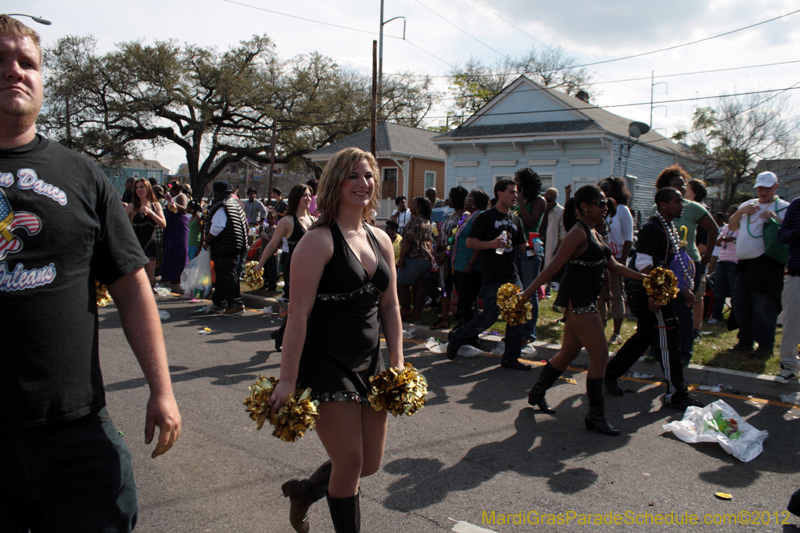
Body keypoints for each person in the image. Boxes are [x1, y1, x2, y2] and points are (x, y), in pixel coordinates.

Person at [0, 16, 180, 531]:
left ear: (41, 80)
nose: (14, 71)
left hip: (76, 434)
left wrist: (161, 389)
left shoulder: (83, 176)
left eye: (27, 62)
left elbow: (131, 284)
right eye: (1, 60)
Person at [267, 147, 403, 533]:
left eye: (369, 176)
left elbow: (390, 307)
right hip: (328, 365)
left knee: (369, 463)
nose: (363, 184)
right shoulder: (318, 241)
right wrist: (288, 380)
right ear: (336, 184)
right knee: (350, 462)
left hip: (371, 363)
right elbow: (298, 315)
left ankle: (307, 491)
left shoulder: (381, 238)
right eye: (353, 176)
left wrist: (397, 361)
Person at [519, 185, 646, 435]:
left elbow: (616, 266)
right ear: (585, 207)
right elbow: (553, 266)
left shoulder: (594, 232)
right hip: (578, 301)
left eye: (605, 203)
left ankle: (537, 392)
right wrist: (526, 293)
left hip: (586, 300)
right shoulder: (577, 233)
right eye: (600, 203)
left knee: (569, 352)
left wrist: (646, 279)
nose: (605, 207)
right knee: (600, 356)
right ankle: (595, 415)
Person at [604, 188, 704, 410]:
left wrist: (682, 289)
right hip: (650, 294)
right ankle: (677, 394)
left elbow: (670, 266)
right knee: (669, 341)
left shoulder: (668, 227)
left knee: (644, 338)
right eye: (677, 201)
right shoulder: (652, 228)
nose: (682, 205)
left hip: (660, 291)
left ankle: (609, 374)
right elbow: (644, 265)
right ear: (663, 205)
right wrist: (655, 294)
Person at [446, 179, 530, 370]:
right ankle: (457, 337)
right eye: (511, 192)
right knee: (489, 317)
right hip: (492, 276)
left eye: (516, 193)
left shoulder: (515, 219)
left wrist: (535, 249)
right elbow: (471, 242)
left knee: (517, 316)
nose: (515, 196)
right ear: (499, 193)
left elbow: (522, 247)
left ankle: (510, 358)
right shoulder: (485, 217)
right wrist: (490, 244)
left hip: (511, 276)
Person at [650, 165, 718, 365]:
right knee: (662, 310)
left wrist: (706, 258)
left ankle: (684, 353)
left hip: (688, 267)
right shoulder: (658, 208)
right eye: (675, 185)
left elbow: (714, 230)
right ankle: (659, 349)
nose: (680, 189)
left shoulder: (694, 207)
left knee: (684, 311)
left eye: (683, 185)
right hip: (666, 267)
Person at [728, 171, 789, 358]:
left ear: (776, 187)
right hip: (744, 264)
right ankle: (744, 340)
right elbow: (732, 226)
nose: (763, 192)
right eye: (760, 188)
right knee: (741, 304)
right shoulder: (748, 204)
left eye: (767, 188)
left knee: (764, 306)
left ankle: (765, 345)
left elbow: (790, 233)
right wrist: (740, 212)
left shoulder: (783, 207)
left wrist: (775, 220)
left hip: (767, 265)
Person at [255, 184, 315, 348]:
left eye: (310, 195)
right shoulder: (287, 221)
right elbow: (273, 244)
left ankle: (280, 334)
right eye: (304, 195)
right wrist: (259, 265)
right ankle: (294, 340)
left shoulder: (314, 220)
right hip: (294, 267)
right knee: (301, 305)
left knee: (302, 305)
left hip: (313, 267)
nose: (308, 198)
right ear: (296, 198)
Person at [198, 180, 248, 316]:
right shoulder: (234, 205)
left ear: (218, 192)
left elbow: (217, 227)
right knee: (222, 275)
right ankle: (218, 303)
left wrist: (207, 241)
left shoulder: (221, 206)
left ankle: (236, 304)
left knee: (226, 274)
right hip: (235, 244)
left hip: (225, 246)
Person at [598, 176, 634, 345]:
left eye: (607, 188)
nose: (604, 191)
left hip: (617, 257)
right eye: (602, 188)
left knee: (616, 294)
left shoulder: (622, 210)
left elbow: (628, 238)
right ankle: (600, 328)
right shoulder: (599, 208)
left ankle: (616, 333)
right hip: (599, 258)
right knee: (600, 295)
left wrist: (623, 260)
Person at [513, 168, 546, 344]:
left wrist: (520, 203)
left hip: (531, 250)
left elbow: (531, 222)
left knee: (529, 291)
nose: (515, 183)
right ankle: (517, 329)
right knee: (516, 292)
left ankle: (529, 333)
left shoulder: (539, 201)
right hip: (516, 249)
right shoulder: (519, 200)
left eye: (517, 180)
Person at [431, 186, 469, 330]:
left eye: (450, 196)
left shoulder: (465, 217)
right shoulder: (449, 215)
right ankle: (444, 318)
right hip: (443, 258)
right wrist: (436, 251)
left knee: (460, 289)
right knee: (444, 288)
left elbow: (457, 239)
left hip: (455, 258)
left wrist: (445, 254)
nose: (448, 199)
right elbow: (442, 234)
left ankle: (463, 319)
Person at [452, 188, 490, 331]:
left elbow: (479, 243)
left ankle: (471, 333)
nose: (465, 199)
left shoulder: (479, 216)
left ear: (474, 202)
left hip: (470, 267)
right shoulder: (469, 216)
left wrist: (471, 264)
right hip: (460, 264)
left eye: (468, 197)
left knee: (466, 302)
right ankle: (465, 325)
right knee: (463, 300)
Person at [396, 196, 434, 320]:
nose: (410, 206)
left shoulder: (414, 221)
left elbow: (409, 241)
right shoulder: (427, 221)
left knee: (402, 285)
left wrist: (401, 258)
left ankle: (405, 312)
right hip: (426, 258)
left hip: (414, 257)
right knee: (419, 286)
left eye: (413, 204)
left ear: (419, 208)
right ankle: (417, 312)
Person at [776, 195, 800, 383]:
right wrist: (796, 234)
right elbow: (782, 234)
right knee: (792, 323)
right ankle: (789, 366)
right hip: (797, 273)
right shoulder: (796, 205)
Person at [126, 178, 167, 287]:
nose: (139, 190)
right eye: (136, 188)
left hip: (150, 247)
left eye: (142, 187)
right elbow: (122, 225)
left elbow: (163, 224)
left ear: (148, 188)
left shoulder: (155, 205)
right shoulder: (131, 207)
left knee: (148, 284)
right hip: (135, 248)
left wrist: (151, 213)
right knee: (135, 283)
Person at [709, 205, 738, 324]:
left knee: (734, 291)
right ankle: (716, 316)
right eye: (729, 212)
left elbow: (742, 241)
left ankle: (735, 318)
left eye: (732, 212)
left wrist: (733, 239)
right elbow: (718, 243)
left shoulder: (743, 228)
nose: (729, 214)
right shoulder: (726, 227)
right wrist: (719, 239)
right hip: (722, 261)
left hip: (734, 262)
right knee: (718, 290)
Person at [161, 180, 190, 284]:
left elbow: (183, 210)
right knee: (169, 249)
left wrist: (172, 201)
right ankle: (167, 274)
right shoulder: (169, 197)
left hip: (178, 226)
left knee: (179, 249)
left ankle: (177, 275)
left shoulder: (181, 196)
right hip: (170, 226)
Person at [540, 187, 566, 296]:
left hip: (551, 240)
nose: (546, 195)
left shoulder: (560, 210)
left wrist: (560, 244)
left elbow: (562, 229)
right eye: (546, 193)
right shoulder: (542, 208)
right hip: (540, 239)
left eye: (549, 194)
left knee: (549, 264)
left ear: (554, 196)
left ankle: (548, 288)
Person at [259, 212, 279, 291]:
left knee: (271, 270)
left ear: (275, 220)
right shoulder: (267, 228)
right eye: (268, 219)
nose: (269, 220)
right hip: (264, 252)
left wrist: (262, 233)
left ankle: (272, 285)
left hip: (270, 253)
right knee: (266, 269)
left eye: (272, 219)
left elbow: (270, 238)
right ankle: (266, 282)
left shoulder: (274, 229)